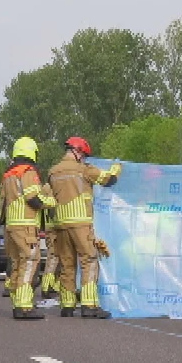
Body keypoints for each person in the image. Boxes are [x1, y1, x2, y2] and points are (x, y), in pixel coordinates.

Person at [47, 136, 122, 318]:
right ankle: (89, 305)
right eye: (84, 155)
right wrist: (117, 167)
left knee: (67, 263)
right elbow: (109, 179)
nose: (84, 158)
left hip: (60, 224)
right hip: (80, 223)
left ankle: (67, 305)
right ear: (78, 152)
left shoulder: (53, 172)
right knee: (89, 260)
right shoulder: (84, 170)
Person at [0, 137, 58, 321]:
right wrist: (52, 201)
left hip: (11, 225)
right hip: (25, 224)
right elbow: (33, 198)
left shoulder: (9, 173)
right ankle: (24, 306)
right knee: (30, 261)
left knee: (17, 264)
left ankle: (17, 303)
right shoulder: (28, 171)